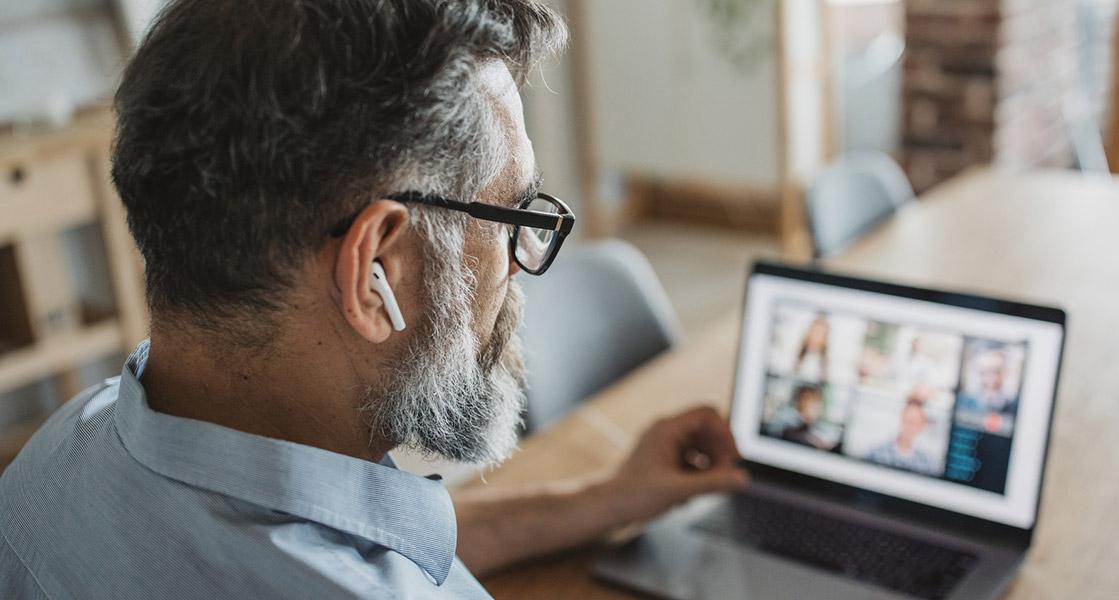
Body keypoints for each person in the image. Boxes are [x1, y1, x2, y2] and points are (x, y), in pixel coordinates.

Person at [0, 2, 747, 597]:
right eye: (515, 218)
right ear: (374, 272)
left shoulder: (52, 461)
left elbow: (345, 542)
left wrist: (603, 499)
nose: (522, 266)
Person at [867, 391, 936, 474]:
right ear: (901, 419)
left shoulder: (926, 464)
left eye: (915, 423)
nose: (909, 427)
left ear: (921, 427)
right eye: (907, 421)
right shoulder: (876, 453)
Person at [778, 385, 838, 450]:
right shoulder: (789, 426)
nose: (808, 407)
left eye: (814, 404)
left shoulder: (825, 432)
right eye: (805, 403)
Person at [792, 313, 831, 381]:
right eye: (814, 331)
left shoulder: (827, 364)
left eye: (820, 333)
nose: (816, 336)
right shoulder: (795, 356)